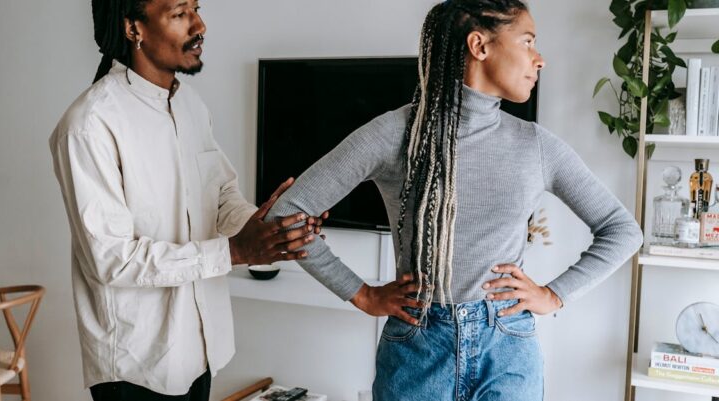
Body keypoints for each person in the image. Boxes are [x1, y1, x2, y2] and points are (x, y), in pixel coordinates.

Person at [265, 1, 643, 400]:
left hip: (507, 350)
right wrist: (362, 294)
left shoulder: (536, 146)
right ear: (480, 46)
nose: (539, 59)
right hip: (417, 347)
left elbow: (622, 231)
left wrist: (554, 294)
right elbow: (287, 212)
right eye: (528, 42)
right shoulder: (394, 134)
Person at [49, 0, 325, 399]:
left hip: (200, 348)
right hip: (137, 364)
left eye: (196, 8)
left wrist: (267, 227)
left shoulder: (191, 106)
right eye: (180, 13)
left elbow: (221, 196)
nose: (200, 25)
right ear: (133, 29)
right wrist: (235, 252)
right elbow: (114, 260)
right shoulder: (89, 125)